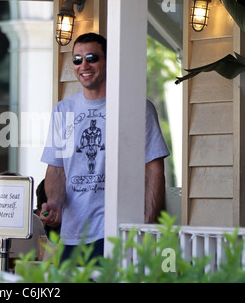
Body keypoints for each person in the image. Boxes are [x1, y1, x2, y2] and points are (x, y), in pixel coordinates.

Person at [40, 32, 169, 262]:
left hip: (119, 232)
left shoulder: (136, 108)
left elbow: (153, 169)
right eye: (77, 60)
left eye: (92, 57)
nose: (84, 65)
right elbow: (57, 170)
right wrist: (55, 204)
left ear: (109, 61)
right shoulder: (64, 111)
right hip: (73, 234)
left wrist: (147, 226)